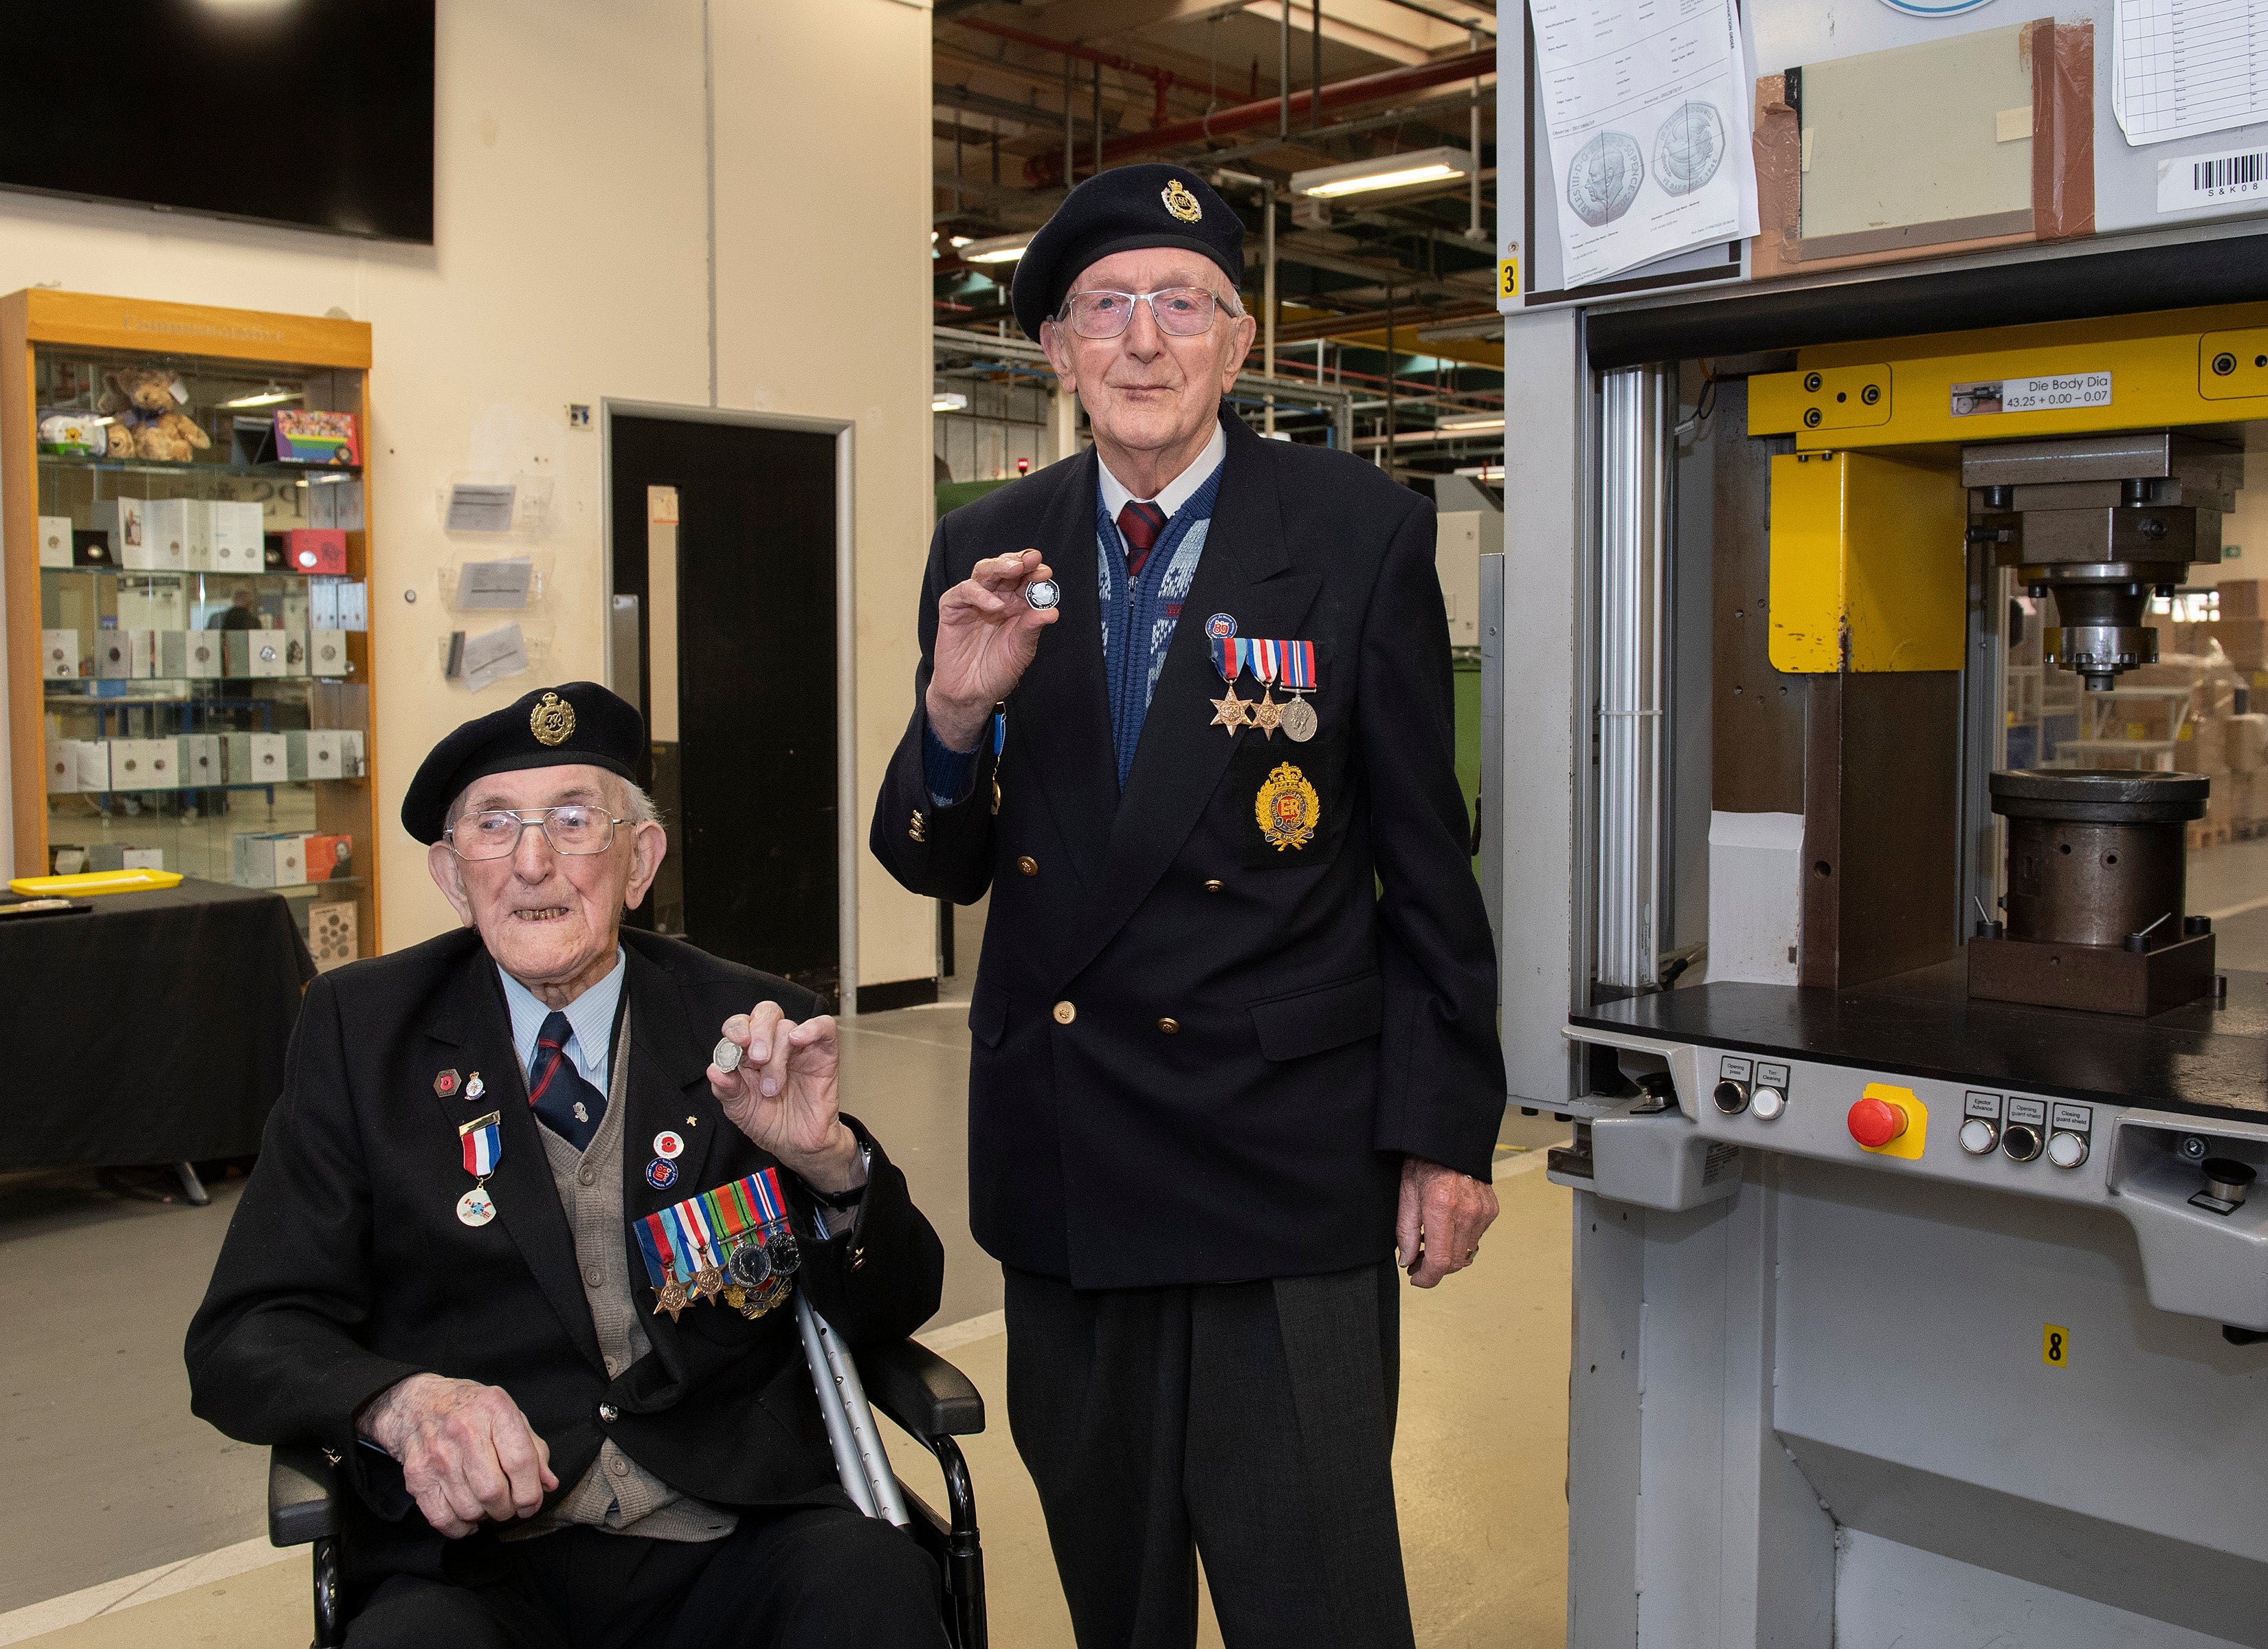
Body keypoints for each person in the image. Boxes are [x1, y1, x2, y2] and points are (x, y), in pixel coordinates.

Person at [870, 164, 1504, 1649]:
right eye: (1105, 308)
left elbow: (1426, 859)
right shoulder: (990, 545)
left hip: (1284, 1156)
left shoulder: (1355, 530)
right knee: (1118, 1594)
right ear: (1056, 353)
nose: (1142, 341)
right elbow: (931, 861)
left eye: (1180, 305)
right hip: (1072, 1154)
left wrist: (1445, 1130)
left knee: (1319, 1599)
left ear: (1237, 342)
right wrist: (953, 721)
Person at [188, 682, 947, 1649]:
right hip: (478, 1563)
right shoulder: (361, 1033)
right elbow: (246, 1333)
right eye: (495, 826)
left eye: (575, 820)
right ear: (453, 876)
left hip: (732, 1527)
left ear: (641, 862)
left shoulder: (744, 1021)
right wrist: (399, 1403)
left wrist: (829, 1162)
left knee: (872, 1591)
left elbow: (897, 1304)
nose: (534, 862)